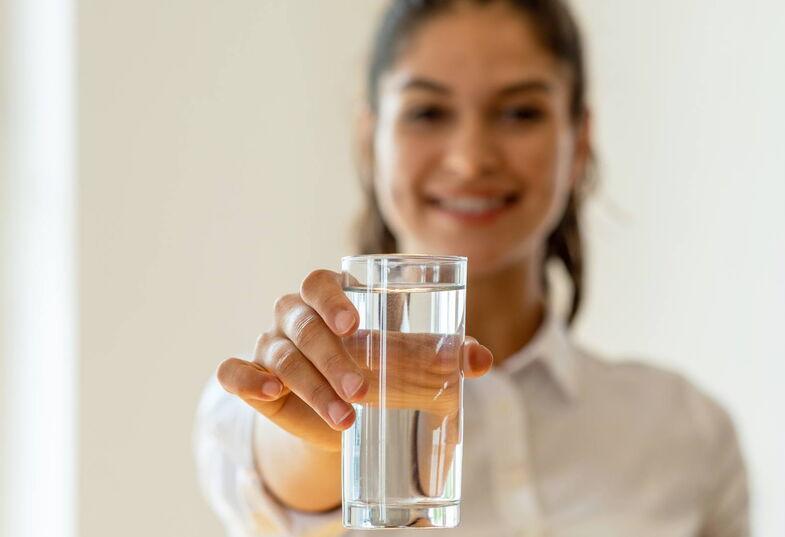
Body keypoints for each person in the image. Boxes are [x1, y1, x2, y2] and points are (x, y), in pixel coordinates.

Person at [193, 1, 750, 535]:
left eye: (519, 112)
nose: (470, 158)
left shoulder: (687, 432)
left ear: (579, 141)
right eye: (427, 112)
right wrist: (328, 421)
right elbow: (289, 480)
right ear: (370, 141)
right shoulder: (272, 393)